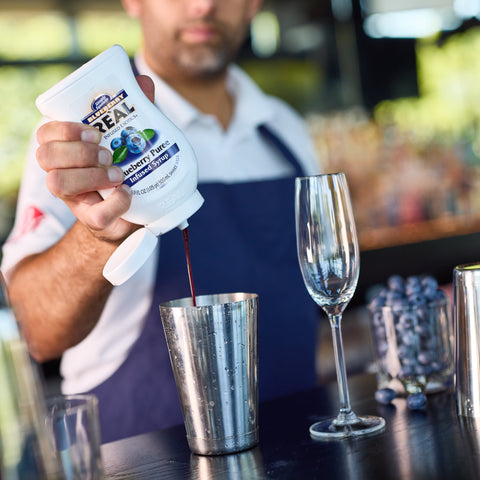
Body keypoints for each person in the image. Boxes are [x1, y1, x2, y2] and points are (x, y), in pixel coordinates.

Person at [1, 0, 321, 443]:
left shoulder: (285, 129)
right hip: (144, 455)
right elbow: (36, 331)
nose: (204, 4)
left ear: (254, 6)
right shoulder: (81, 146)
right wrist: (97, 236)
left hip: (302, 447)